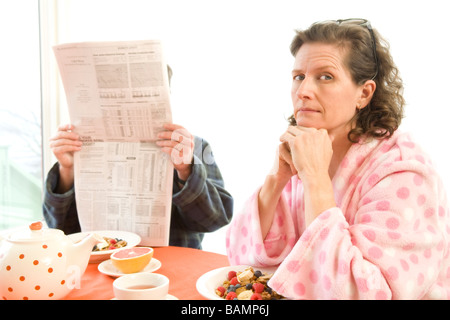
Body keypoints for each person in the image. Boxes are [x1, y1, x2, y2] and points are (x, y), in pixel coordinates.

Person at [226, 19, 450, 299]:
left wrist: (316, 179)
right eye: (299, 76)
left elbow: (367, 293)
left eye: (326, 76)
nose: (303, 91)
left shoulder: (404, 172)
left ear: (364, 93)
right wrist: (277, 178)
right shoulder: (308, 149)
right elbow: (245, 261)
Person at [43, 67, 233, 250]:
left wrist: (186, 170)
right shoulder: (80, 146)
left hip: (172, 269)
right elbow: (59, 229)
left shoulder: (195, 146)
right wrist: (66, 170)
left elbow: (216, 219)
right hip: (101, 268)